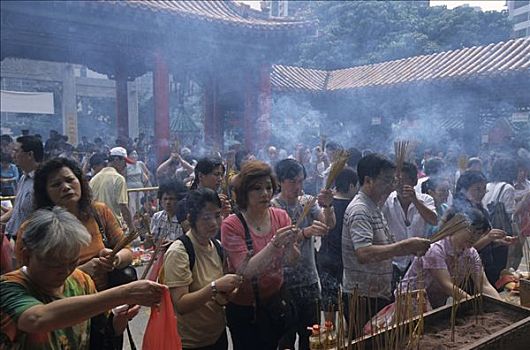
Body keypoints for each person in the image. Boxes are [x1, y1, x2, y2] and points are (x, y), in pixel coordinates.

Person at [1, 207, 165, 350]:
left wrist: (117, 321)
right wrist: (125, 293)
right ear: (26, 255)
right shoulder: (9, 287)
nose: (65, 271)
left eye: (72, 262)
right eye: (55, 264)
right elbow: (37, 319)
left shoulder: (80, 280)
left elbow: (99, 333)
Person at [342, 154, 431, 332]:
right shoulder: (360, 210)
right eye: (387, 181)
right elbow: (364, 253)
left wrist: (411, 248)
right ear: (368, 180)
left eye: (393, 181)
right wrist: (405, 246)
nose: (392, 186)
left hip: (377, 292)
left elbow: (383, 245)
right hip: (362, 296)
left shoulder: (374, 206)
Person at [15, 157, 132, 291]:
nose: (65, 187)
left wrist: (115, 258)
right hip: (62, 304)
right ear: (45, 192)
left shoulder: (99, 212)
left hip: (104, 299)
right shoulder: (32, 228)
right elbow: (25, 279)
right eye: (56, 184)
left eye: (70, 180)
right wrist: (80, 273)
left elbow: (127, 250)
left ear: (81, 182)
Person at [221, 160, 300, 350]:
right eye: (256, 188)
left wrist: (290, 245)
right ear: (244, 193)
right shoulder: (232, 224)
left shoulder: (280, 216)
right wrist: (274, 245)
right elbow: (245, 270)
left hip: (277, 301)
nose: (265, 193)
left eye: (268, 187)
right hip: (247, 309)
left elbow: (291, 261)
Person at [164, 188, 242, 350]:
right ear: (191, 218)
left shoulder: (217, 246)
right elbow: (181, 304)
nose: (214, 223)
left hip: (216, 335)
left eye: (217, 215)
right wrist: (215, 287)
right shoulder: (179, 251)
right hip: (191, 342)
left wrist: (228, 292)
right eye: (206, 217)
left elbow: (220, 296)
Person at [271, 158, 335, 350]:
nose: (298, 186)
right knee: (286, 339)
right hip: (284, 283)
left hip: (309, 279)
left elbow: (327, 226)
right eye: (293, 182)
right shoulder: (274, 207)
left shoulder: (307, 202)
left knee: (311, 337)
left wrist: (328, 206)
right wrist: (306, 232)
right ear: (280, 181)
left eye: (301, 181)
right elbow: (279, 241)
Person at [398, 208, 501, 309]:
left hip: (435, 305)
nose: (474, 237)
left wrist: (502, 305)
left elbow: (484, 285)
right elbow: (447, 285)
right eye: (471, 231)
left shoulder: (471, 253)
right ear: (457, 226)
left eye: (478, 234)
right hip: (410, 304)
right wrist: (473, 306)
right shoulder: (436, 249)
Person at [452, 170, 515, 285]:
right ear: (463, 190)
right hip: (468, 272)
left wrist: (498, 241)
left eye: (483, 189)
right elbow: (466, 248)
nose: (481, 193)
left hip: (485, 266)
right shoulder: (459, 214)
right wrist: (489, 238)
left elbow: (484, 239)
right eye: (477, 189)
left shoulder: (482, 210)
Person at [383, 162, 437, 284]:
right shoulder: (387, 200)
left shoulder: (425, 199)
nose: (401, 185)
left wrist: (415, 200)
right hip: (394, 263)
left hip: (418, 262)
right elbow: (376, 213)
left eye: (404, 180)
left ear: (414, 181)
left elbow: (433, 220)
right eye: (397, 181)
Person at [317, 166, 358, 323]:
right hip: (347, 260)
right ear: (351, 186)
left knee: (329, 302)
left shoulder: (328, 203)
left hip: (326, 258)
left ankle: (329, 337)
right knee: (349, 302)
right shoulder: (355, 206)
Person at [2, 136, 43, 240]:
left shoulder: (43, 181)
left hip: (30, 241)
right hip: (14, 237)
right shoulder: (24, 178)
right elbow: (17, 209)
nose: (13, 155)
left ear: (30, 155)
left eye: (16, 151)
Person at [90, 147, 134, 231]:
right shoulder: (118, 178)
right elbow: (123, 207)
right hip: (113, 227)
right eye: (124, 162)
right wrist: (132, 228)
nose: (125, 166)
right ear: (117, 160)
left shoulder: (94, 179)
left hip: (97, 226)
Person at [126, 150, 150, 217]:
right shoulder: (125, 165)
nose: (134, 156)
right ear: (128, 156)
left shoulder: (140, 164)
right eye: (132, 154)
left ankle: (141, 221)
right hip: (130, 189)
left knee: (140, 205)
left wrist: (145, 181)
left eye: (135, 154)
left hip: (140, 187)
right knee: (132, 206)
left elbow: (147, 173)